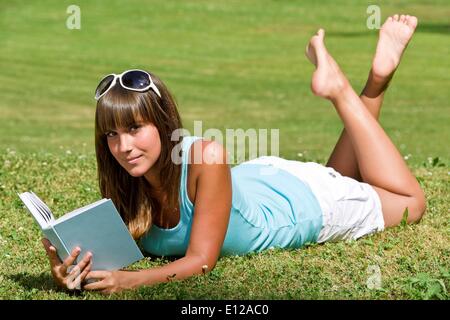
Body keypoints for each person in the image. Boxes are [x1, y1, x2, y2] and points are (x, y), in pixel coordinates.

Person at [42, 14, 425, 294]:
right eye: (111, 135)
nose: (123, 147)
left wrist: (130, 282)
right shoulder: (127, 181)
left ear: (162, 122)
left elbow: (201, 261)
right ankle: (372, 79)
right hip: (266, 182)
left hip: (305, 207)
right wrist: (70, 272)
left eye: (134, 129)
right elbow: (114, 256)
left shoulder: (205, 158)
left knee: (411, 203)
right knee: (340, 176)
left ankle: (348, 88)